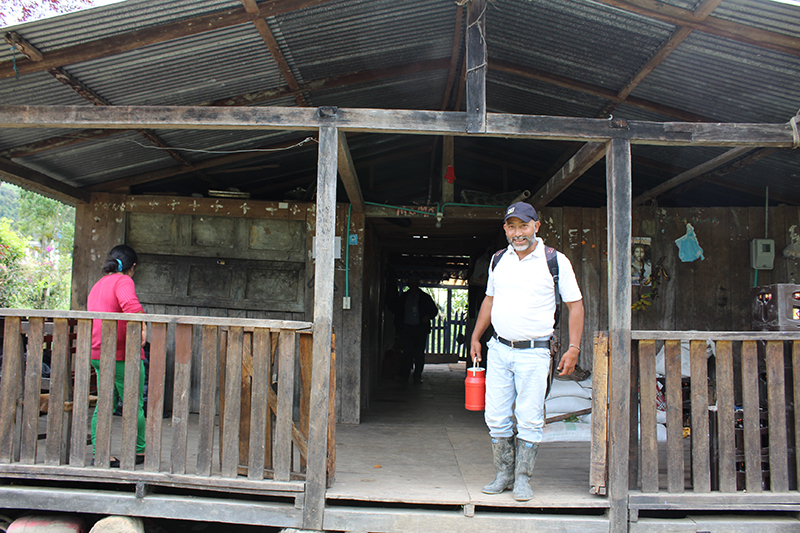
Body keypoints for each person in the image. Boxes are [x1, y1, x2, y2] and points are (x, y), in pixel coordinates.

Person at [470, 202, 584, 501]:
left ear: (537, 225)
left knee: (529, 417)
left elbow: (575, 305)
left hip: (534, 352)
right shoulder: (498, 260)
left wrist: (573, 347)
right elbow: (489, 300)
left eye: (523, 226)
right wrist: (477, 336)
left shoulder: (555, 261)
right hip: (499, 349)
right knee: (495, 416)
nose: (517, 233)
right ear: (505, 229)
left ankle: (522, 478)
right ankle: (503, 474)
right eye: (511, 226)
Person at [87, 245, 147, 467]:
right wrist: (143, 327)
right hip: (122, 354)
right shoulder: (123, 281)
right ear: (132, 267)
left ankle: (99, 453)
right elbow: (131, 306)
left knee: (104, 404)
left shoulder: (98, 284)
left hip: (99, 353)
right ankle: (138, 451)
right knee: (133, 404)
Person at [394, 276, 438, 384]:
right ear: (408, 285)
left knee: (419, 353)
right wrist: (398, 330)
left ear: (418, 284)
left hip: (420, 329)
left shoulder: (424, 297)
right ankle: (405, 376)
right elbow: (398, 313)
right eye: (411, 283)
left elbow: (434, 311)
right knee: (407, 353)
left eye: (415, 283)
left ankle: (417, 376)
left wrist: (427, 316)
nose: (413, 285)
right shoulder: (404, 297)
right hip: (407, 328)